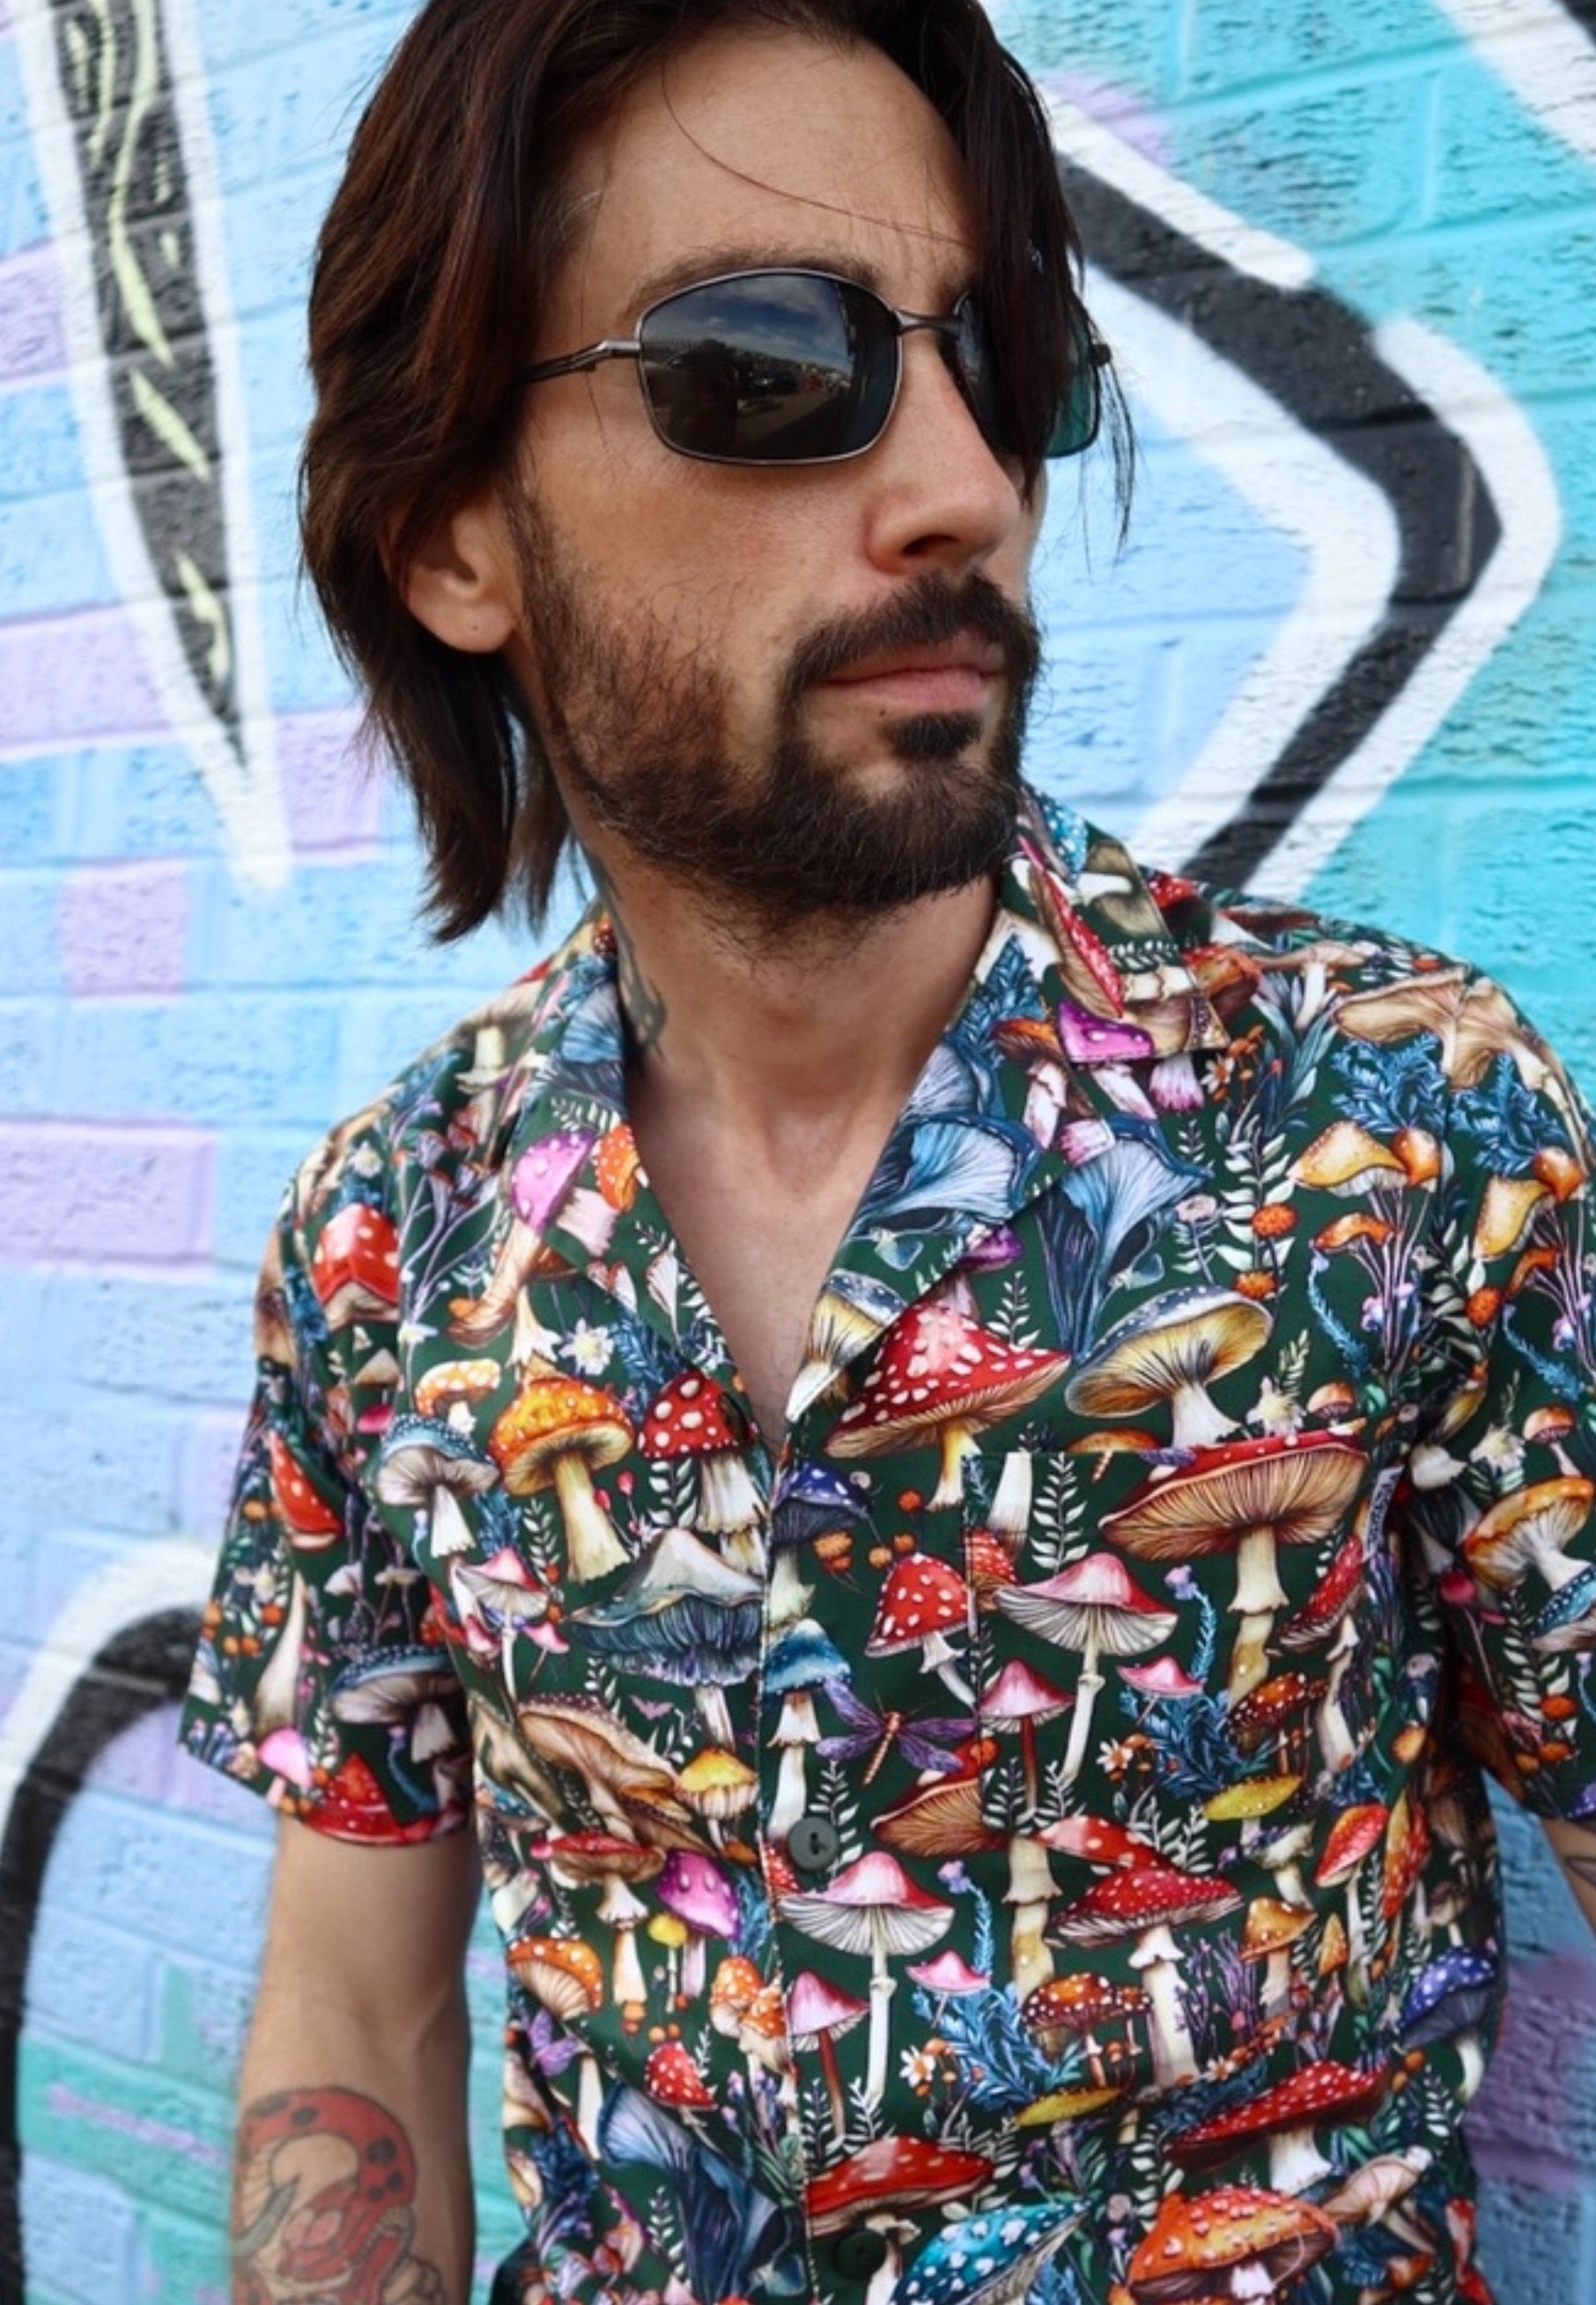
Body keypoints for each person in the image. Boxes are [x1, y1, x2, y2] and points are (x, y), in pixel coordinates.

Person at [180, 3, 1596, 2301]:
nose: (958, 482)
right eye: (767, 361)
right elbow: (349, 1992)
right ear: (454, 536)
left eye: (997, 355)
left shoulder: (1391, 1121)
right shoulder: (388, 1242)